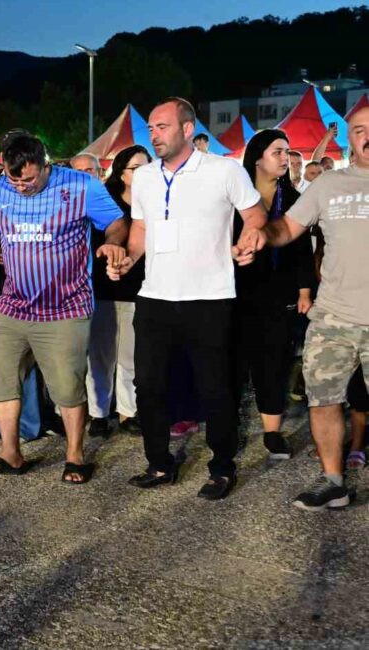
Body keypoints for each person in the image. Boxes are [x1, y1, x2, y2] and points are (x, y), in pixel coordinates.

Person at [0, 133, 126, 483]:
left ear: (46, 165)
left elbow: (115, 222)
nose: (21, 186)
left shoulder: (80, 186)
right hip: (13, 305)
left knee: (67, 387)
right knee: (2, 379)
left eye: (29, 179)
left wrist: (112, 244)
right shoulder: (1, 190)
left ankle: (75, 457)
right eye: (13, 178)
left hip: (66, 307)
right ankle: (11, 453)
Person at [111, 97, 266, 500]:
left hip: (210, 298)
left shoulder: (223, 170)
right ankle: (160, 463)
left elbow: (255, 213)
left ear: (186, 128)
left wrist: (251, 235)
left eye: (161, 127)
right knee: (148, 386)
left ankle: (222, 468)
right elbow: (141, 228)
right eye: (151, 129)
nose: (154, 135)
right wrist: (129, 258)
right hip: (154, 297)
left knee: (214, 387)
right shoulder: (144, 176)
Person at [245, 105, 369, 511]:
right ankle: (334, 481)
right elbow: (289, 227)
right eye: (359, 129)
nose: (367, 135)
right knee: (324, 399)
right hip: (333, 315)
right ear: (348, 138)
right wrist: (263, 235)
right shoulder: (328, 184)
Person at [231, 130, 314, 460]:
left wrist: (305, 289)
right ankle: (229, 428)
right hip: (234, 291)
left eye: (287, 152)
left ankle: (272, 432)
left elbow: (303, 252)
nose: (285, 158)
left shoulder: (293, 199)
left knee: (274, 362)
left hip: (277, 294)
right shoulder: (235, 196)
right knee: (232, 362)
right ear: (257, 158)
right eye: (278, 152)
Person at [82, 145, 149, 438]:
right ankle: (98, 413)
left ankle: (127, 412)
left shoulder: (153, 203)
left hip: (141, 289)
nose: (144, 172)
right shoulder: (105, 204)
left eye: (148, 166)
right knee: (100, 355)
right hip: (104, 288)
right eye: (137, 168)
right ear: (121, 173)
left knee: (131, 357)